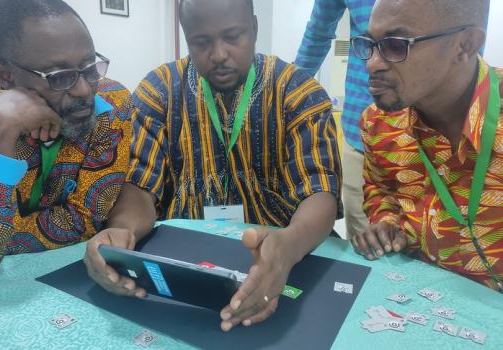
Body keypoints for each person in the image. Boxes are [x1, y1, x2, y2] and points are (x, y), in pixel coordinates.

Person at [84, 0, 342, 331]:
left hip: (282, 251)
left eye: (233, 36)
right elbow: (140, 188)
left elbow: (319, 193)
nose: (218, 54)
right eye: (201, 42)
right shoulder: (159, 91)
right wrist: (123, 231)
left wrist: (288, 247)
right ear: (186, 37)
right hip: (182, 259)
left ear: (254, 28)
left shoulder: (298, 92)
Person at [0, 0, 133, 290]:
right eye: (58, 76)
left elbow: (86, 220)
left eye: (89, 67)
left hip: (72, 282)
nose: (84, 89)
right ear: (5, 76)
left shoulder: (111, 105)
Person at [350, 0, 502, 292]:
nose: (371, 63)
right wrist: (386, 223)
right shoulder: (379, 124)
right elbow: (380, 190)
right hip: (419, 302)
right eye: (369, 43)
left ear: (465, 45)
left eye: (395, 45)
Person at [296, 0, 375, 239]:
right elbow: (318, 31)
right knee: (366, 244)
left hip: (432, 135)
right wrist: (288, 90)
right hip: (360, 132)